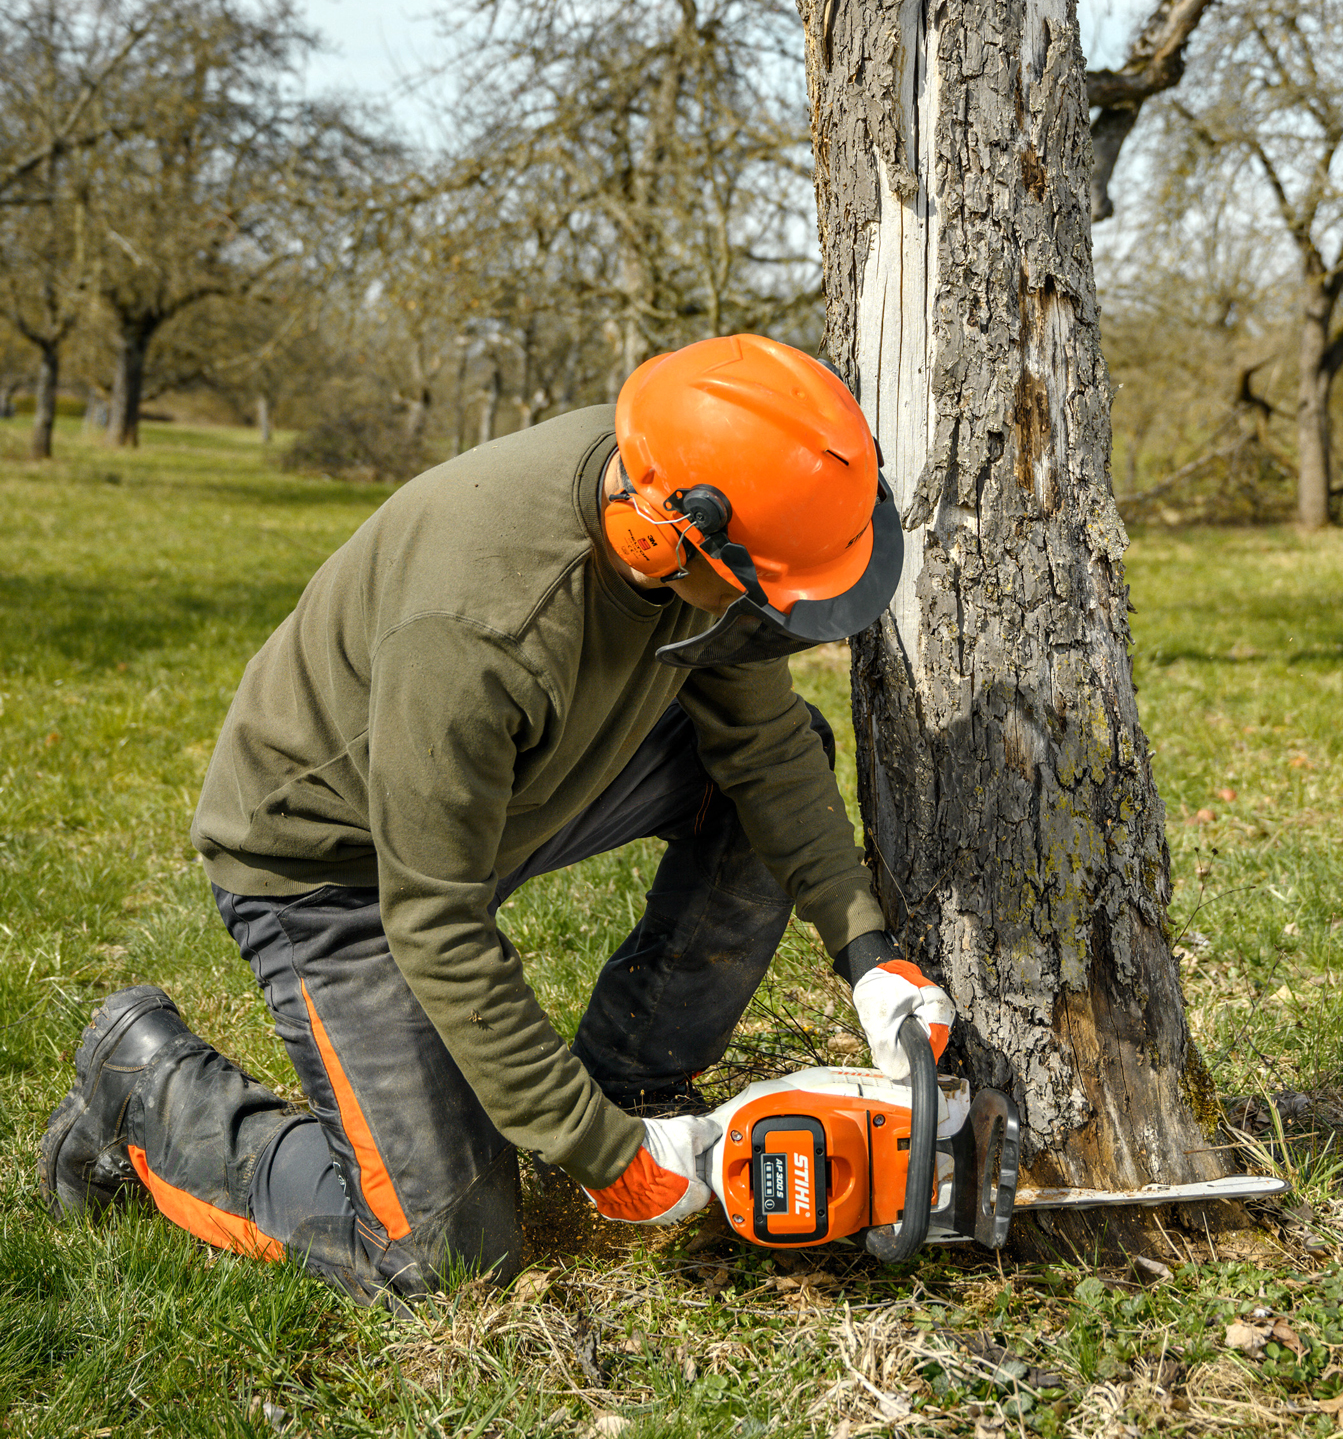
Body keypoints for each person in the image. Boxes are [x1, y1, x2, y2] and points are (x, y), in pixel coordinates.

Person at [39, 334, 956, 1307]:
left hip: (504, 791)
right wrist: (605, 1159)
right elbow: (433, 920)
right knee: (445, 1260)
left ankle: (633, 1086)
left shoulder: (698, 487)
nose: (770, 630)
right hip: (333, 867)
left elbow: (766, 747)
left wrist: (866, 953)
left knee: (774, 762)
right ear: (662, 537)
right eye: (761, 598)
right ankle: (144, 1088)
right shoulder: (482, 629)